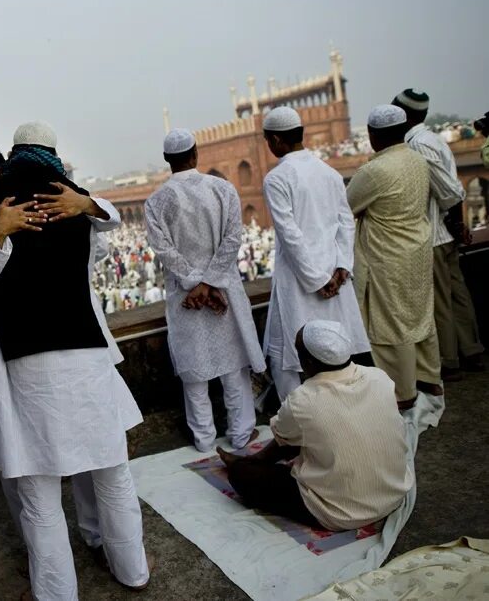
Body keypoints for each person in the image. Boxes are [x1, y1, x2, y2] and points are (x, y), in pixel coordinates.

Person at [0, 122, 149, 599]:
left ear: (10, 155)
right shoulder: (77, 197)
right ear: (55, 155)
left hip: (28, 361)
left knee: (39, 493)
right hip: (86, 354)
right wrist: (86, 205)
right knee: (111, 473)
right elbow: (98, 247)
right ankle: (133, 571)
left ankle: (57, 593)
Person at [218, 321, 412, 531]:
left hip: (342, 513)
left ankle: (251, 463)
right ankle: (258, 462)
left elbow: (283, 438)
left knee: (241, 474)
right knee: (307, 432)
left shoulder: (302, 400)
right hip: (394, 494)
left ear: (307, 362)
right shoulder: (378, 377)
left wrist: (253, 461)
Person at [145, 129, 262, 452]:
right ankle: (240, 434)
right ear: (195, 154)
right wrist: (210, 282)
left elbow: (164, 250)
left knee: (194, 374)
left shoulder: (156, 201)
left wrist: (194, 283)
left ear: (168, 160)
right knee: (233, 370)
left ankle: (204, 441)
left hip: (187, 298)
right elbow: (232, 240)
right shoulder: (222, 189)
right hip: (221, 291)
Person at [260, 107, 371, 402]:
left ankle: (296, 424)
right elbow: (346, 222)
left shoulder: (277, 178)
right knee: (334, 349)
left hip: (301, 282)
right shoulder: (329, 172)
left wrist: (317, 280)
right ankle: (342, 409)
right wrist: (341, 267)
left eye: (267, 140)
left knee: (287, 355)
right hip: (334, 277)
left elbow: (290, 234)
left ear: (275, 140)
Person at [347, 105, 441, 409]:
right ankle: (429, 377)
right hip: (417, 249)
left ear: (374, 135)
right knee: (420, 313)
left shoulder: (375, 171)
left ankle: (402, 392)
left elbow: (347, 204)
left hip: (387, 257)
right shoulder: (418, 159)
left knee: (391, 322)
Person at [394, 89, 484, 379]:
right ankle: (470, 350)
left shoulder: (418, 145)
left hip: (434, 234)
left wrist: (457, 224)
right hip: (444, 232)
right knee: (457, 295)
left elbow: (449, 190)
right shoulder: (431, 139)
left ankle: (449, 360)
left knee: (442, 301)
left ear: (405, 115)